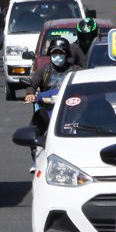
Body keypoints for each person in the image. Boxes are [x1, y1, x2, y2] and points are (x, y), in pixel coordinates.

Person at [24, 37, 81, 171]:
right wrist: (30, 93)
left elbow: (85, 87)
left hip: (70, 110)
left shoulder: (76, 70)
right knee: (34, 127)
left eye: (60, 53)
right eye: (54, 54)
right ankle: (36, 159)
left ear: (66, 54)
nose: (57, 57)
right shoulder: (44, 71)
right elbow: (32, 85)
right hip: (47, 108)